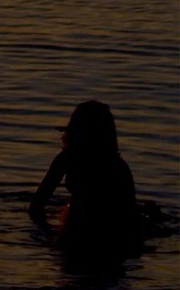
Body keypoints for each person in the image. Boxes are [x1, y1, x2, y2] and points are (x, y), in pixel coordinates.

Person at [30, 100, 144, 255]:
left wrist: (48, 234)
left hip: (78, 233)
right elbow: (130, 212)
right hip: (107, 237)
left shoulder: (68, 158)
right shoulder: (119, 166)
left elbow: (37, 206)